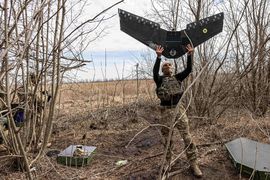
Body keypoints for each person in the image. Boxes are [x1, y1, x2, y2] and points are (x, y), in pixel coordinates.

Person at [153, 44, 202, 177]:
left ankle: (194, 163)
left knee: (187, 137)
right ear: (163, 70)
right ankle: (168, 162)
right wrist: (158, 58)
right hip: (165, 111)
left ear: (173, 68)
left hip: (179, 110)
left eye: (169, 65)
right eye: (165, 66)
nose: (167, 66)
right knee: (167, 139)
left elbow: (189, 69)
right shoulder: (159, 80)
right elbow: (154, 72)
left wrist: (190, 55)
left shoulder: (178, 78)